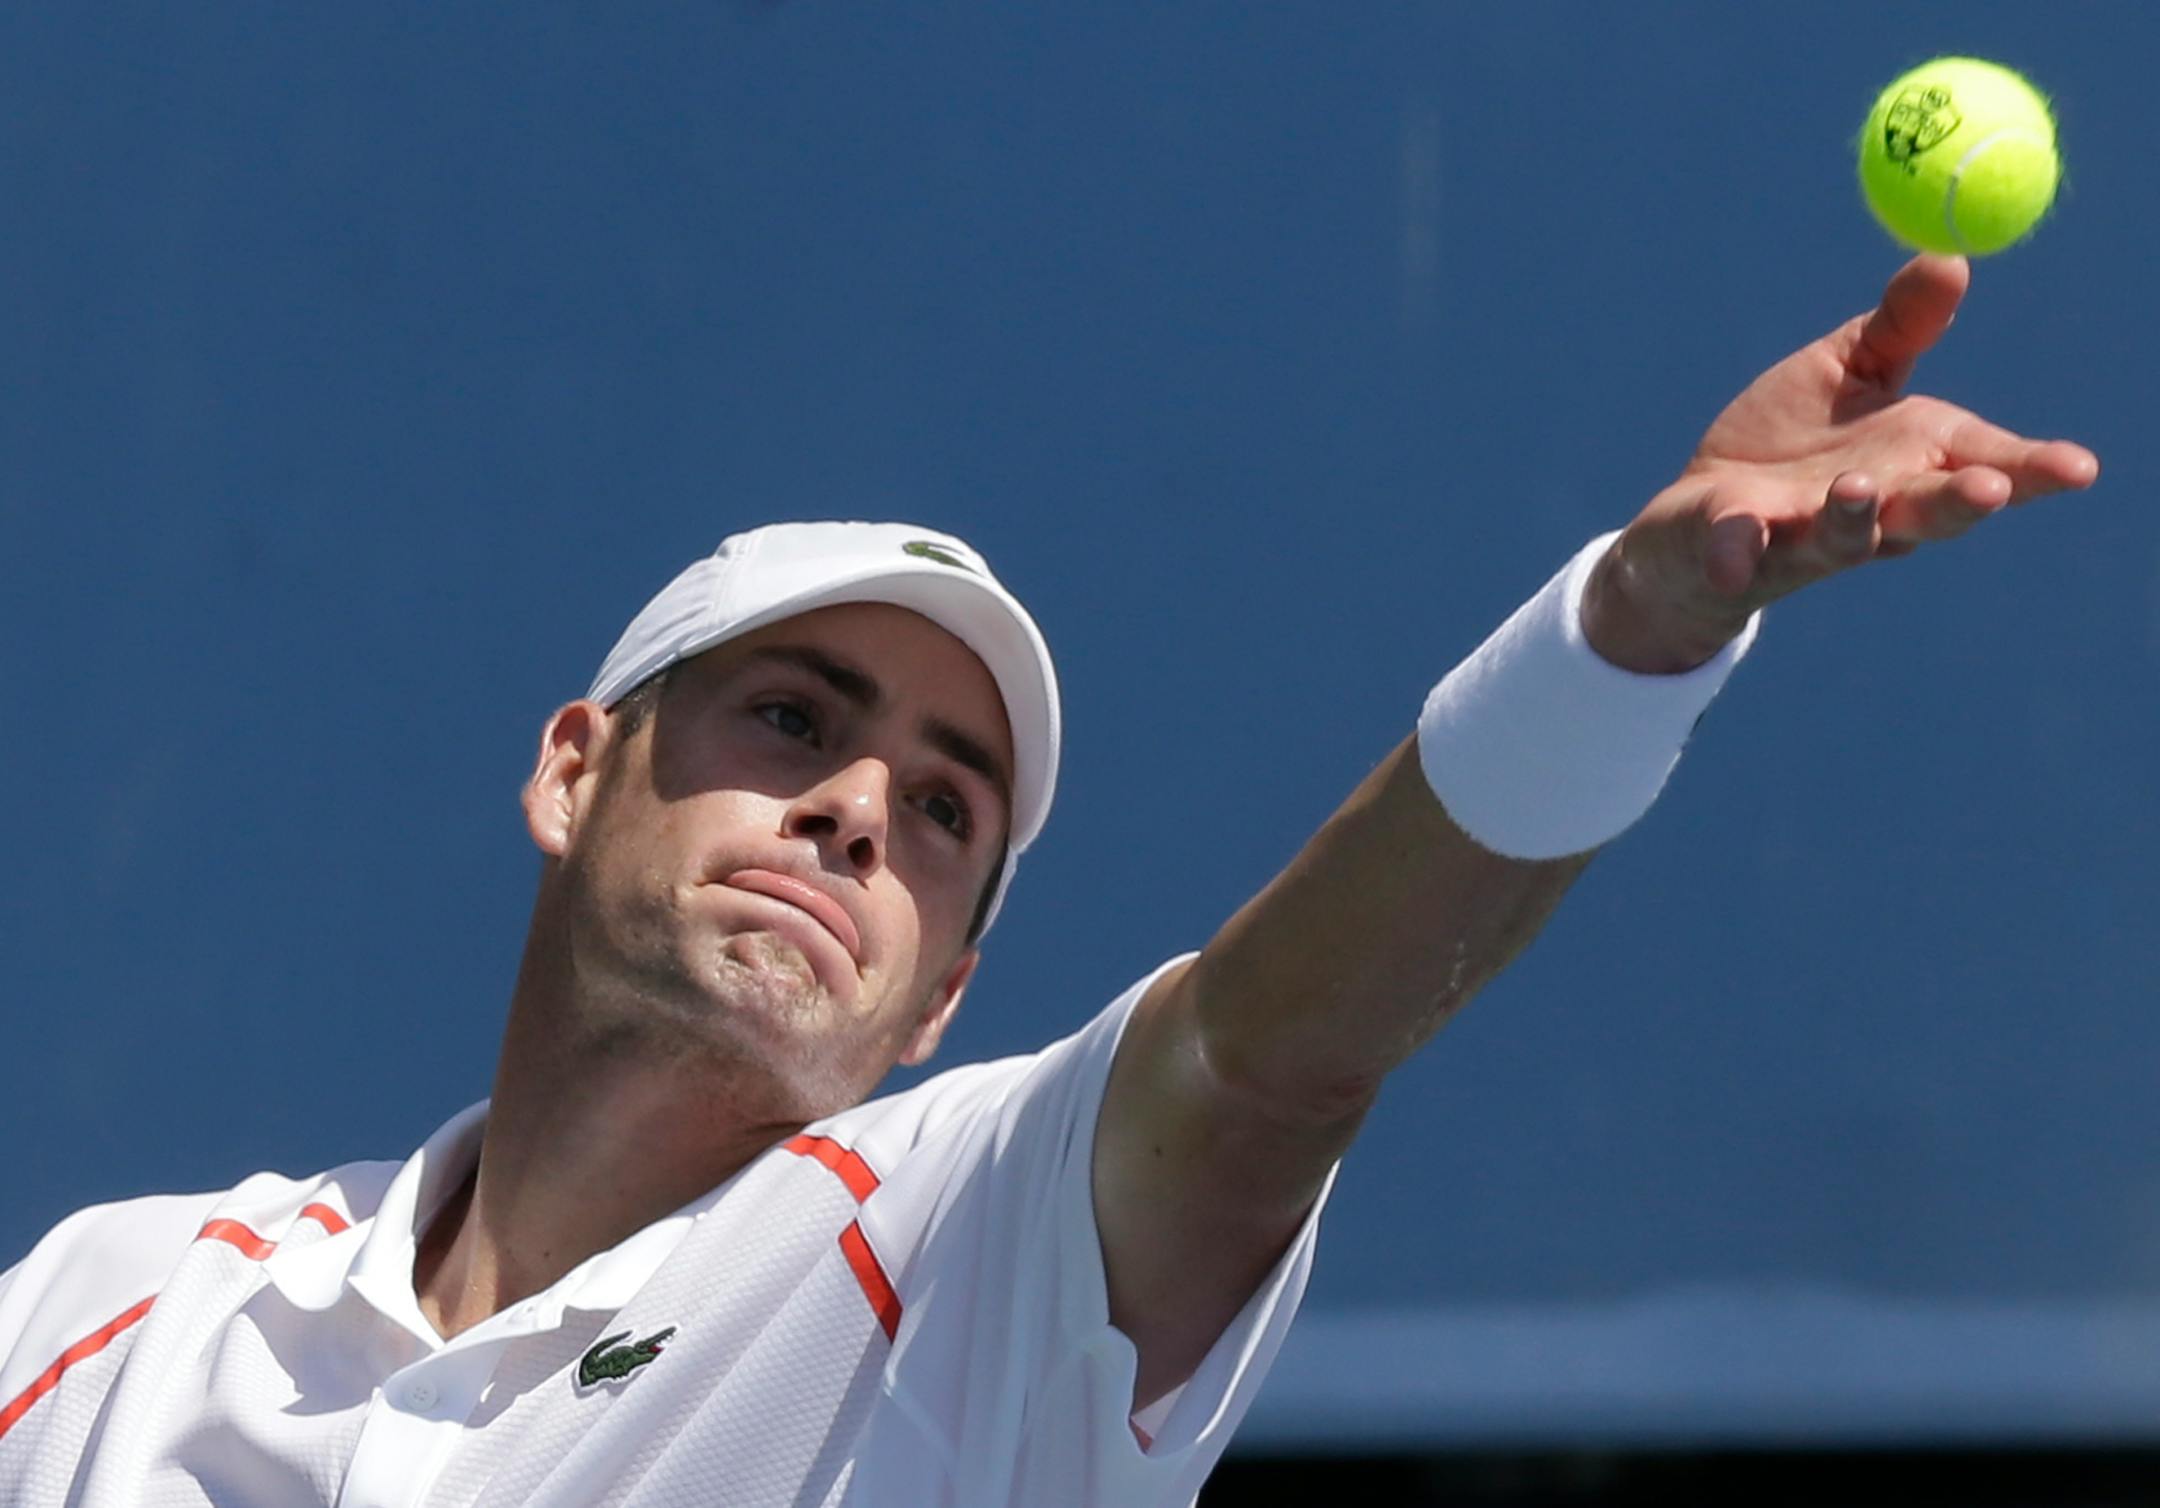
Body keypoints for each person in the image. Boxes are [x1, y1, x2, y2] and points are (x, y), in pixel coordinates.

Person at [0, 255, 2098, 1507]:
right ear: (577, 767)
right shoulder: (114, 1303)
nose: (857, 816)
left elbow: (1281, 1053)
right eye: (796, 722)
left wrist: (1629, 633)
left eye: (943, 810)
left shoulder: (963, 1255)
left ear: (944, 994)